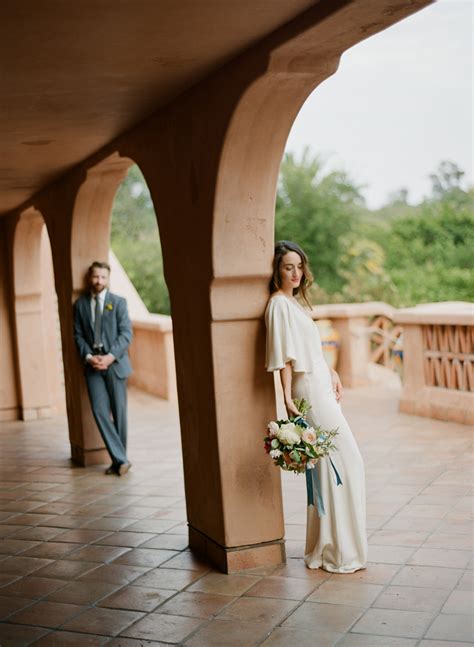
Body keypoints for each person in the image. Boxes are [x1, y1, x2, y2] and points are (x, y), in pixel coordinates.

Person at [265, 241, 367, 572]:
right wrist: (286, 397)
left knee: (333, 465)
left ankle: (329, 545)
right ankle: (334, 548)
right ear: (277, 271)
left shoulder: (295, 303)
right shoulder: (279, 305)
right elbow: (285, 357)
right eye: (287, 267)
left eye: (298, 266)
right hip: (307, 388)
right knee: (345, 461)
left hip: (321, 381)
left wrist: (333, 371)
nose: (295, 273)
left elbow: (313, 348)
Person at [73, 261, 133, 476]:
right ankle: (121, 458)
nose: (99, 281)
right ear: (90, 278)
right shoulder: (80, 305)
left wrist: (109, 357)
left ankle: (118, 461)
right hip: (92, 366)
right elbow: (78, 335)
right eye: (96, 277)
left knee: (119, 412)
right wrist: (89, 357)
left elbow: (126, 334)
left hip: (115, 364)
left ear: (108, 279)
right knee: (99, 411)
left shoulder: (119, 303)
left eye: (103, 277)